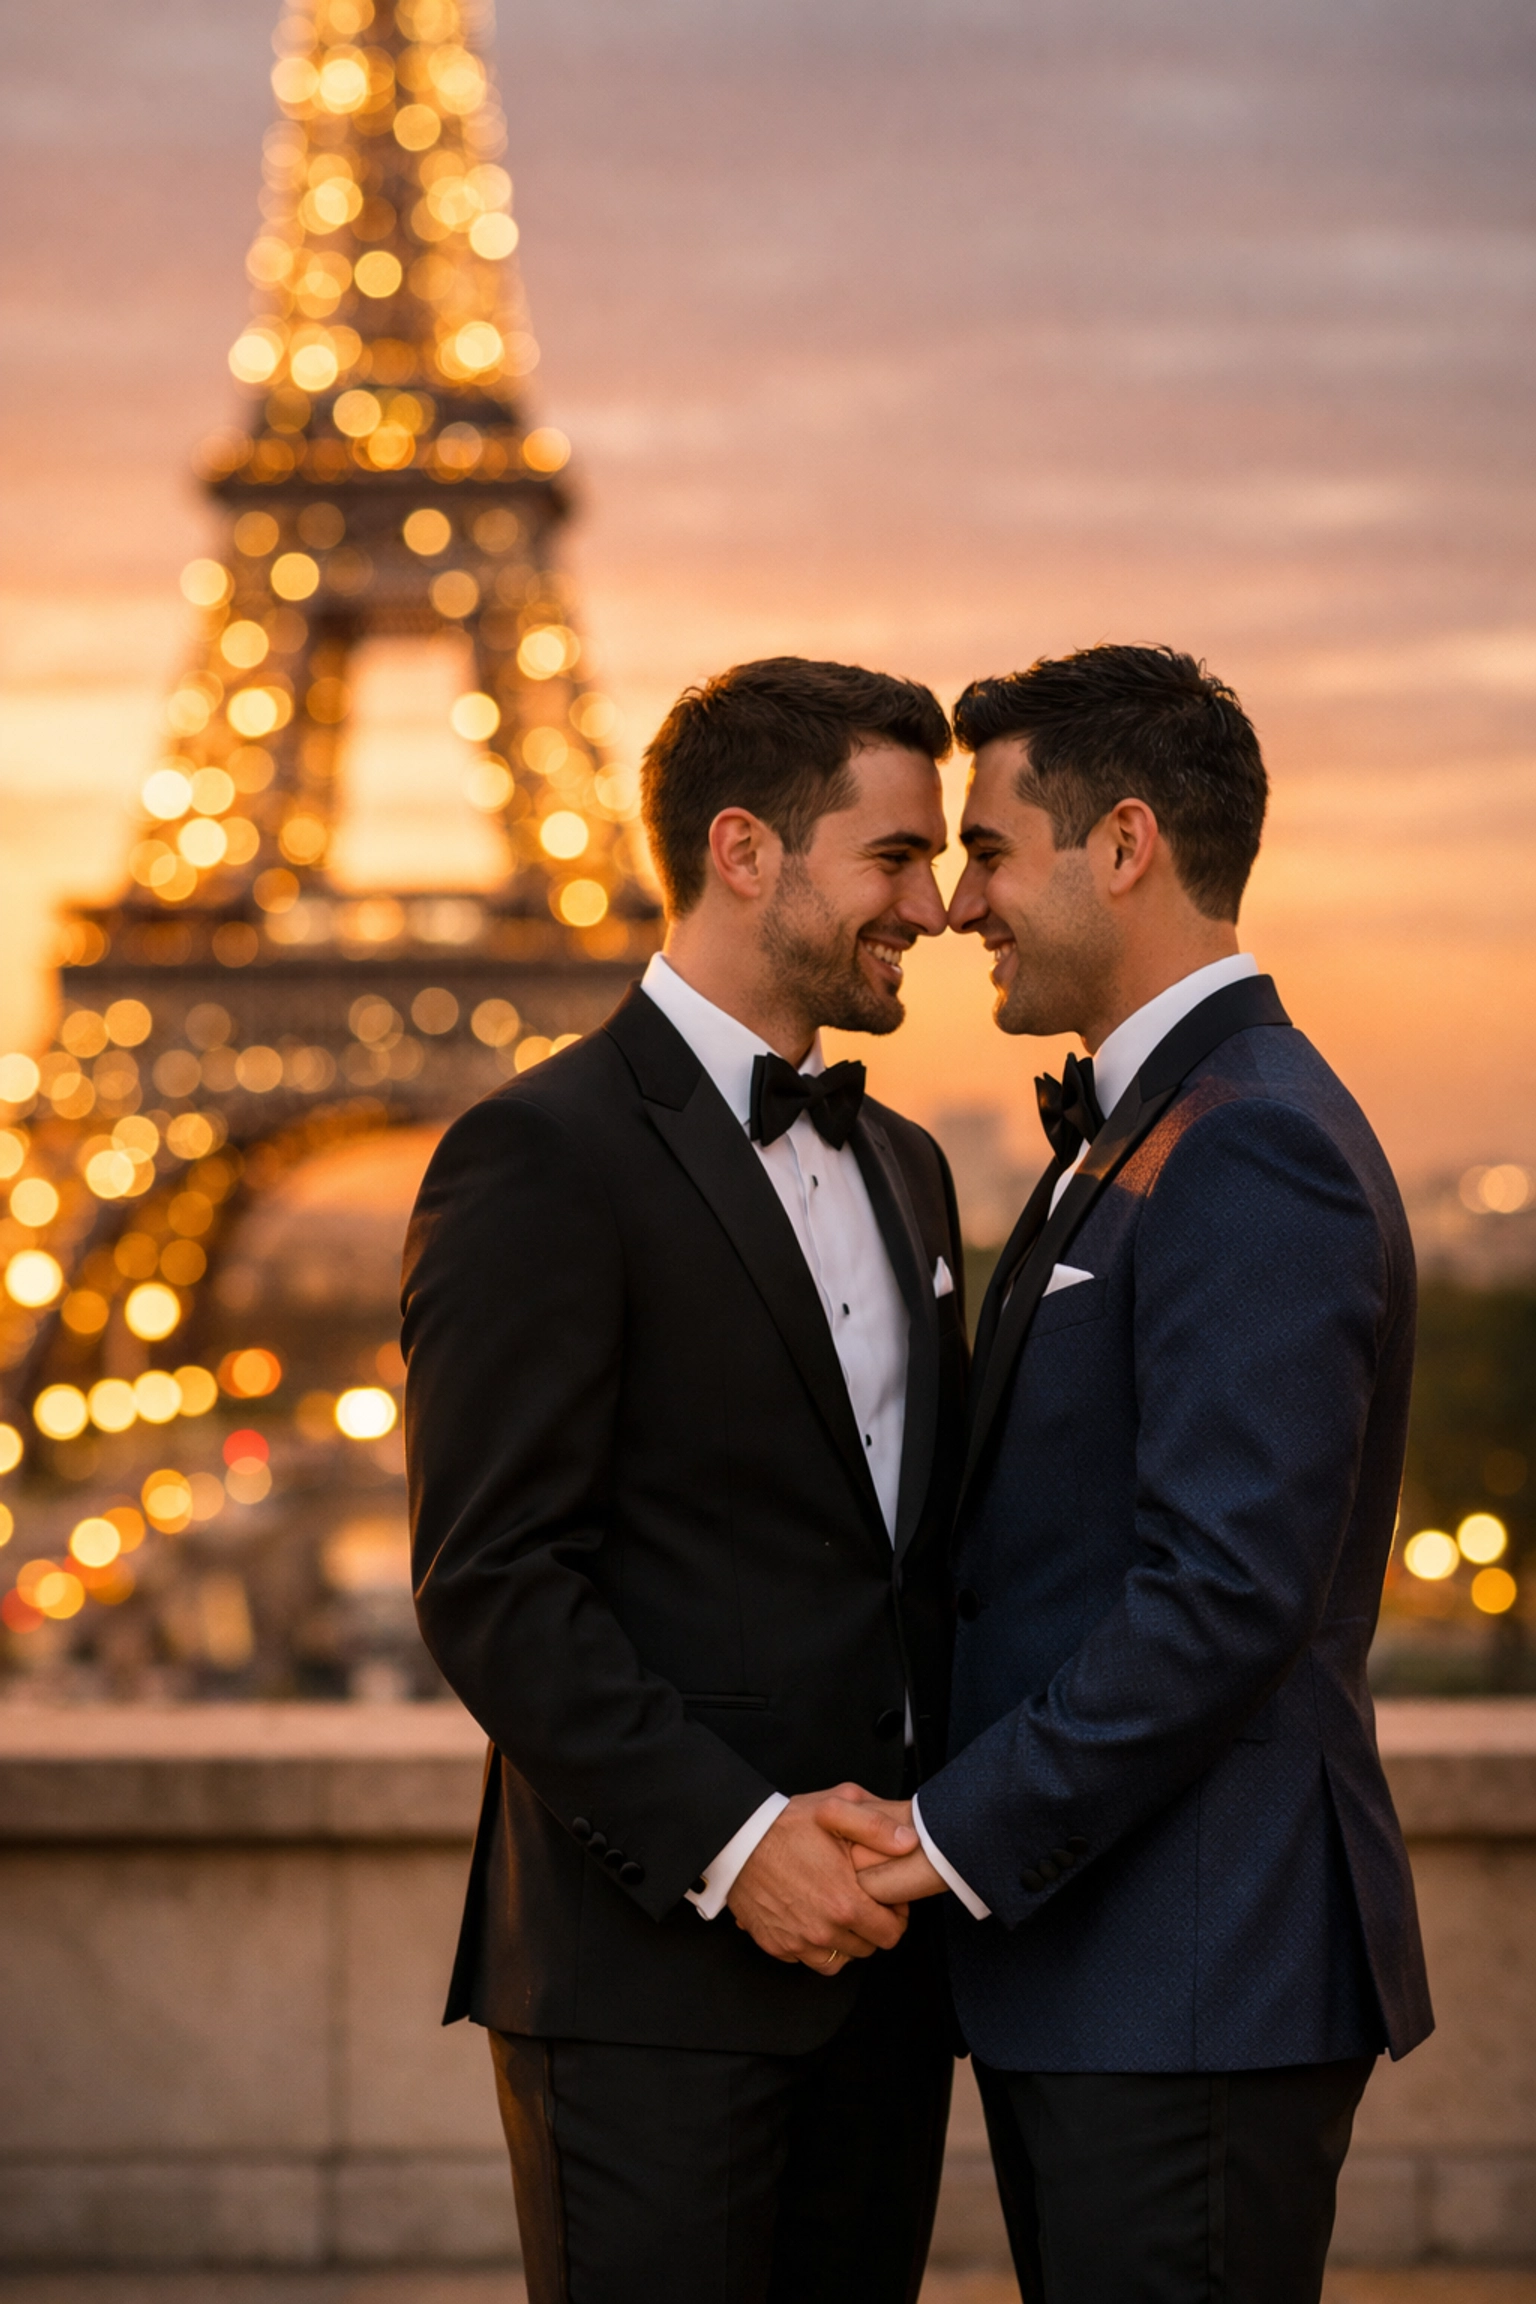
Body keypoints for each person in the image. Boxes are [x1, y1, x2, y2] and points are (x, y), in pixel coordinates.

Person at [859, 644, 1433, 2304]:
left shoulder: (1244, 1137)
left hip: (1195, 1967)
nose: (962, 904)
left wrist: (938, 1838)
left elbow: (1225, 1596)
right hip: (1134, 1968)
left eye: (987, 848)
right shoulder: (1158, 1120)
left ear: (1123, 845)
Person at [402, 657, 970, 2304]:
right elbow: (494, 1581)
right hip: (649, 1977)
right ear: (744, 851)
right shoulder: (540, 1154)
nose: (929, 907)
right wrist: (738, 1842)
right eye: (894, 857)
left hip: (883, 1972)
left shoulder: (909, 1167)